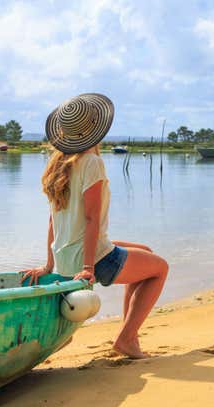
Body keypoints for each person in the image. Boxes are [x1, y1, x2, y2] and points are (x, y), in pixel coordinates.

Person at [22, 93, 168, 359]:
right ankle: (126, 338)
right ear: (94, 130)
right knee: (159, 269)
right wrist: (89, 268)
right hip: (90, 258)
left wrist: (49, 265)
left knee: (145, 250)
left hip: (67, 255)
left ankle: (129, 334)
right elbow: (90, 219)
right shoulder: (92, 163)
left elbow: (53, 221)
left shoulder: (58, 165)